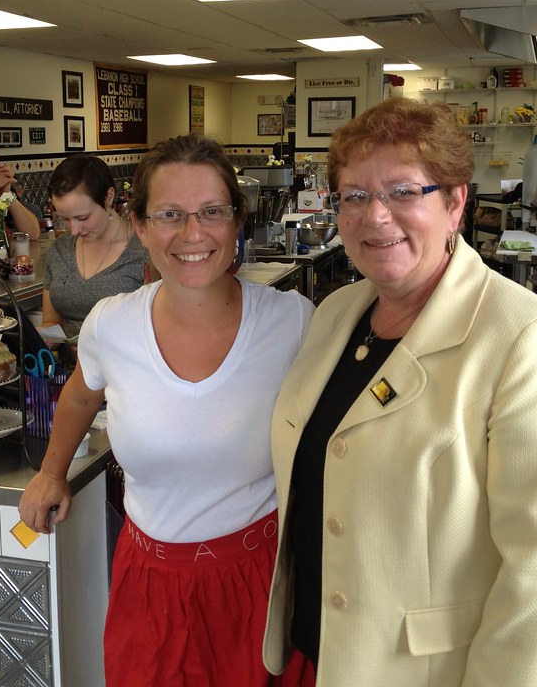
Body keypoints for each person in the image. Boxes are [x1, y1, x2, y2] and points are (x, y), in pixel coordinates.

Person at [262, 98, 537, 687]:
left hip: (425, 671)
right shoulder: (338, 312)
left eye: (403, 191)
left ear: (454, 203)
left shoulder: (525, 340)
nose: (375, 216)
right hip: (320, 652)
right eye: (355, 195)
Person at [19, 134, 315, 687]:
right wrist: (51, 473)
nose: (193, 233)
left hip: (261, 578)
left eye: (211, 212)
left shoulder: (292, 321)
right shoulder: (111, 322)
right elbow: (83, 394)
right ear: (140, 225)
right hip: (149, 581)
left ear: (237, 220)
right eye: (170, 214)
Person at [39, 154, 147, 339]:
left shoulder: (145, 251)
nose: (74, 230)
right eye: (64, 219)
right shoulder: (60, 250)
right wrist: (45, 337)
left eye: (83, 218)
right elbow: (51, 322)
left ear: (108, 197)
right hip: (66, 366)